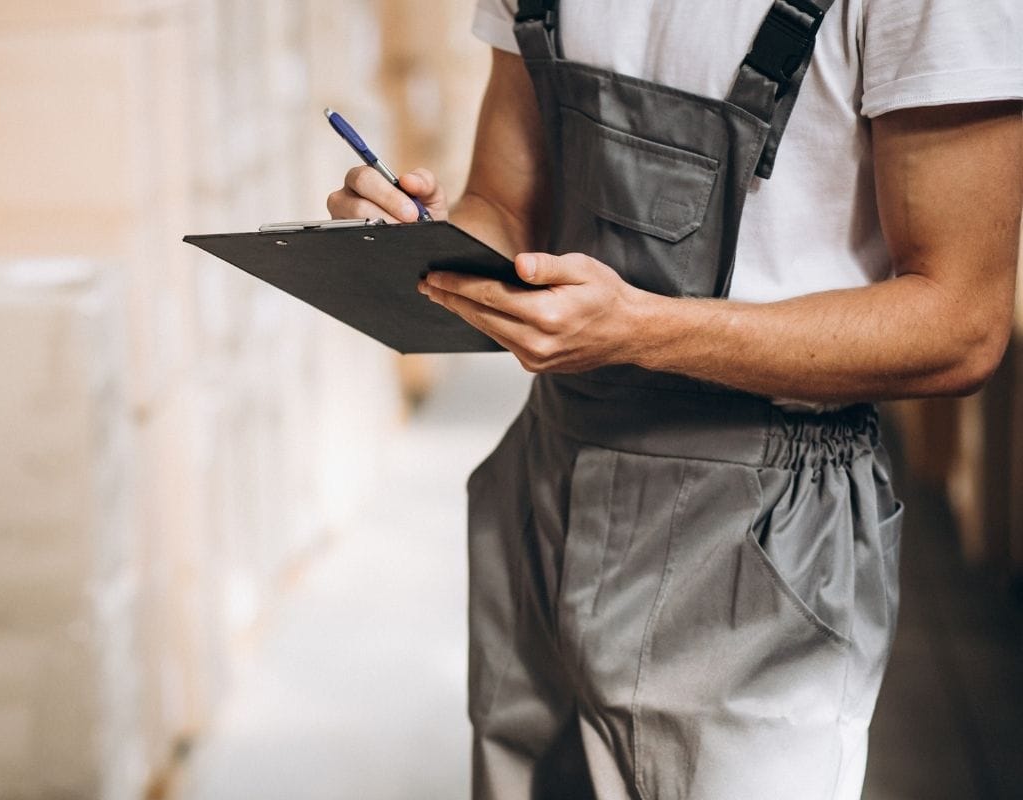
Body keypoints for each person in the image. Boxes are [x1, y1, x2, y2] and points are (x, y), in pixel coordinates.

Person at [328, 1, 1022, 798]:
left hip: (763, 532)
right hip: (550, 483)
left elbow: (961, 321)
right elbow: (509, 207)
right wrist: (421, 237)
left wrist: (639, 330)